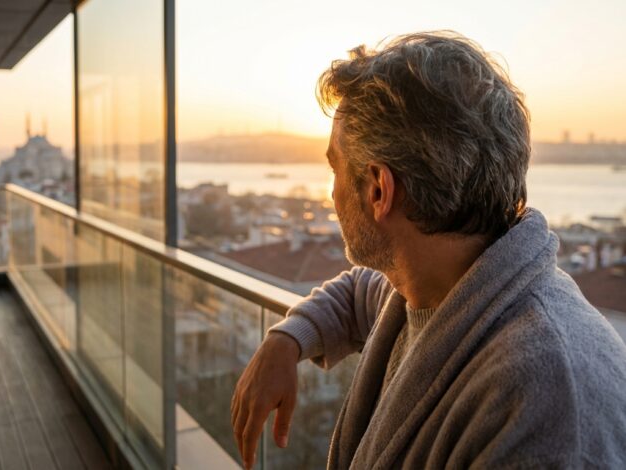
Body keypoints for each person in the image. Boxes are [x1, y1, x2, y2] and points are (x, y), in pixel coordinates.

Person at [230, 31, 626, 469]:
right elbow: (359, 294)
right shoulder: (432, 285)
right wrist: (286, 341)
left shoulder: (546, 409)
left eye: (334, 169)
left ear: (380, 190)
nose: (331, 193)